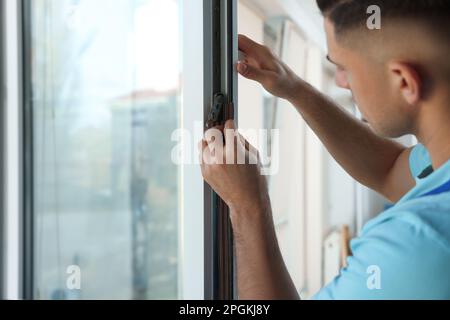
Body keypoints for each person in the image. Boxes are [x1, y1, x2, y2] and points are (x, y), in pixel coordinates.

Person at [199, 0, 450, 299]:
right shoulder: (438, 165)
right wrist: (293, 87)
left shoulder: (419, 244)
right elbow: (391, 169)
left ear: (404, 81)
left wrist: (248, 206)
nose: (341, 81)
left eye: (343, 67)